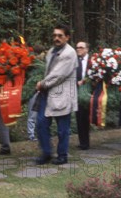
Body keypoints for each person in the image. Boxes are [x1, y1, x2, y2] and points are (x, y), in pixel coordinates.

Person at [35, 24, 78, 165]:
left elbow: (58, 75)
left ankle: (62, 155)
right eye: (54, 35)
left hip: (62, 95)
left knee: (62, 129)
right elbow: (49, 73)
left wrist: (42, 84)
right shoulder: (51, 52)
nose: (56, 38)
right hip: (46, 94)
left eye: (60, 35)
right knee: (41, 124)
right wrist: (42, 86)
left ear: (67, 37)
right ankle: (46, 152)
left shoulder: (69, 53)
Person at [75, 41, 91, 150]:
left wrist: (87, 81)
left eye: (81, 47)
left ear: (87, 49)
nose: (78, 49)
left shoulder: (94, 61)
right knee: (79, 117)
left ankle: (86, 141)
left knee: (87, 117)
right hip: (77, 93)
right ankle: (83, 142)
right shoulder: (74, 61)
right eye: (77, 47)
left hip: (90, 92)